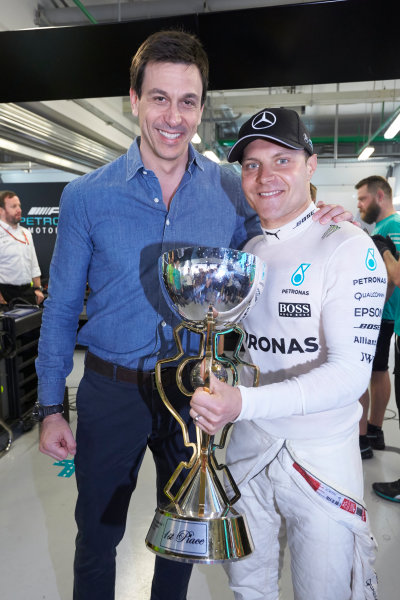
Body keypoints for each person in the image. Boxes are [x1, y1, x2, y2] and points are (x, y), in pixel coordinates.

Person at [35, 31, 356, 600]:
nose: (173, 117)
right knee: (97, 536)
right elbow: (60, 306)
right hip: (112, 390)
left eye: (188, 102)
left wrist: (323, 215)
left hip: (194, 390)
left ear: (202, 107)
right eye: (159, 98)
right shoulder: (87, 195)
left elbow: (279, 245)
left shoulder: (234, 189)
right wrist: (52, 405)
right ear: (133, 100)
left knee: (185, 532)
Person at [190, 107, 386, 599]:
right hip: (249, 453)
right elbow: (248, 345)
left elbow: (347, 379)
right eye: (252, 165)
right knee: (247, 589)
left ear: (310, 165)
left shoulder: (349, 246)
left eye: (281, 159)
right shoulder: (251, 249)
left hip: (319, 461)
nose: (265, 176)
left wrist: (241, 403)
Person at [356, 176, 400, 459]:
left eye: (363, 198)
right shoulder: (381, 227)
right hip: (382, 314)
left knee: (365, 373)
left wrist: (377, 305)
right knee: (377, 371)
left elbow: (394, 276)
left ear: (380, 196)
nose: (359, 205)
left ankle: (364, 437)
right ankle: (373, 430)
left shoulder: (392, 227)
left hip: (380, 313)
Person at [0, 190, 44, 306]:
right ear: (1, 210)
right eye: (13, 206)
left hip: (27, 292)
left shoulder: (26, 233)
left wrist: (38, 288)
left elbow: (34, 264)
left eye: (19, 205)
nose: (19, 209)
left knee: (32, 324)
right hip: (4, 294)